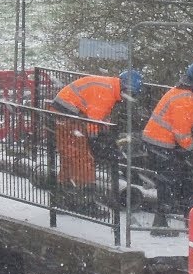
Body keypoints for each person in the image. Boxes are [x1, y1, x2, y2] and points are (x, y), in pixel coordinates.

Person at [142, 60, 193, 235]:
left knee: (182, 180)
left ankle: (187, 219)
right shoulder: (186, 99)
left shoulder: (185, 94)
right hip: (161, 143)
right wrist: (192, 149)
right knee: (170, 181)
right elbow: (181, 132)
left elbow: (185, 125)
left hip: (162, 142)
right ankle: (161, 224)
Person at [52, 70, 144, 202]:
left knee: (70, 157)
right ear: (126, 89)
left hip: (66, 114)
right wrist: (98, 142)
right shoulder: (107, 94)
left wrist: (105, 134)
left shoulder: (111, 88)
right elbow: (93, 123)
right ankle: (85, 199)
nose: (128, 98)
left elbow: (100, 118)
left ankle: (63, 196)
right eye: (131, 94)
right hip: (67, 116)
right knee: (83, 159)